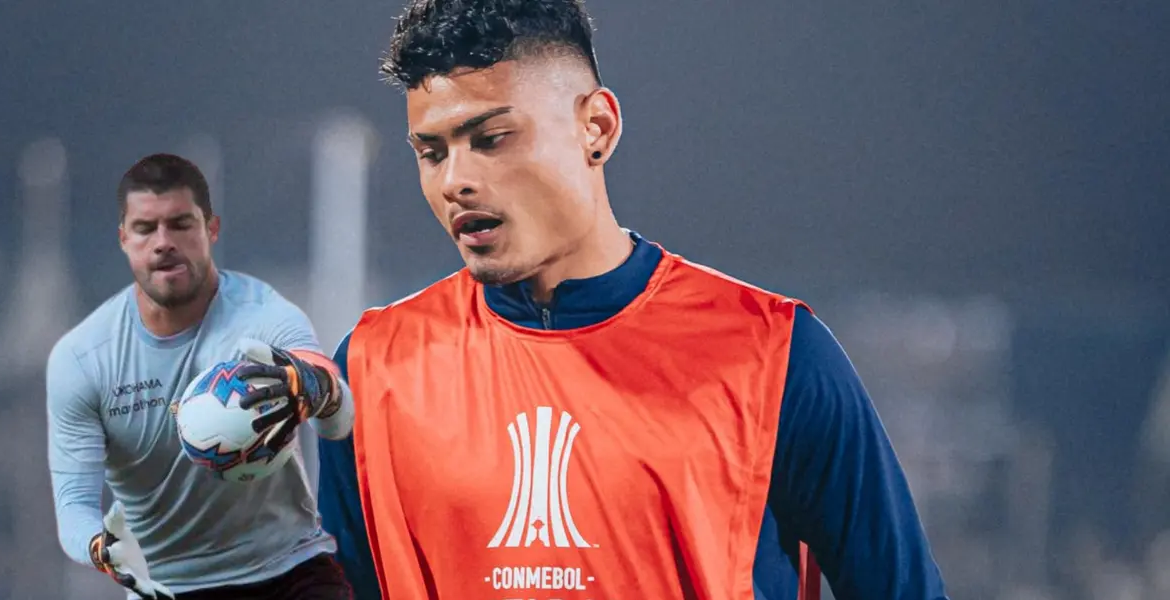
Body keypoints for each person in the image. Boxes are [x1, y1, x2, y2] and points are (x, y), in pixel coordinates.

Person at [316, 1, 949, 598]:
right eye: (431, 153)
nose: (455, 180)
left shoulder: (775, 352)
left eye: (491, 139)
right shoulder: (374, 371)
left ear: (596, 127)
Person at [46, 153, 355, 599]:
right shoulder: (82, 360)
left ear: (211, 229)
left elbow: (337, 414)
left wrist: (313, 386)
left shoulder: (263, 314)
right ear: (122, 239)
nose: (163, 242)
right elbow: (73, 506)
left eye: (181, 224)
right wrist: (102, 549)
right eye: (145, 228)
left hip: (290, 572)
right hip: (169, 588)